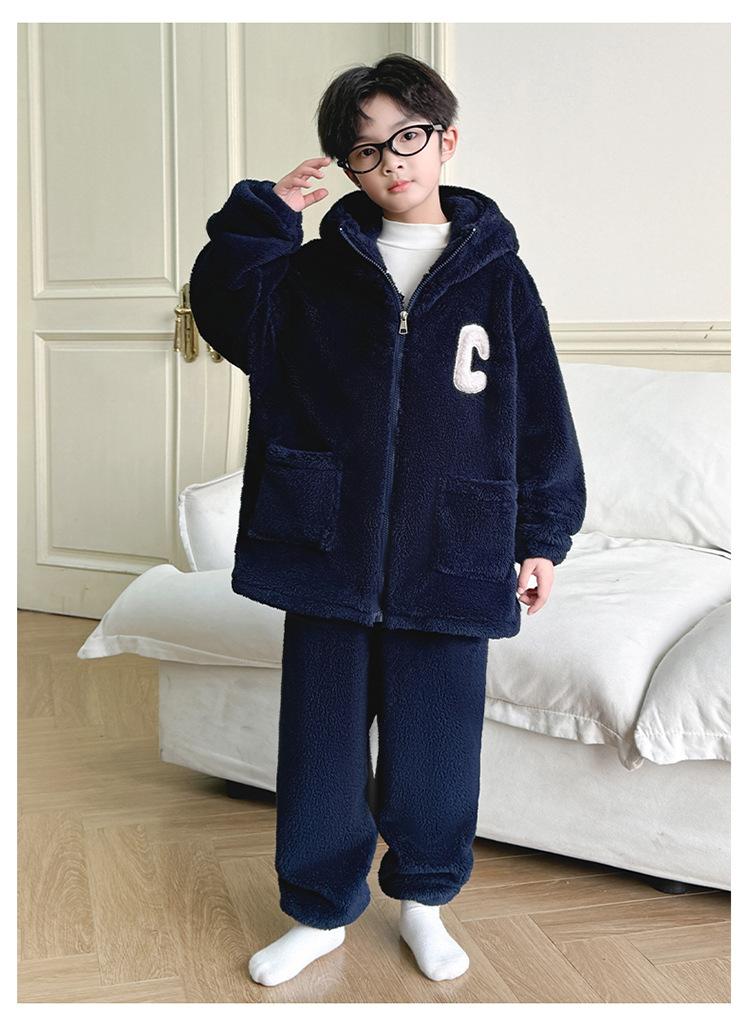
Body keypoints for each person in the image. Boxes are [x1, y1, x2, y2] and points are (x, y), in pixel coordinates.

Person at [190, 53, 585, 988]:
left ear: (446, 141)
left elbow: (540, 416)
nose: (391, 162)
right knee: (320, 749)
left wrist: (542, 535)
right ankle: (319, 912)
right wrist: (266, 215)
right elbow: (227, 310)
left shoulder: (501, 281)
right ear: (349, 167)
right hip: (328, 545)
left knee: (436, 752)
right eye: (365, 151)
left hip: (455, 548)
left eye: (407, 137)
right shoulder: (314, 275)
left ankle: (426, 902)